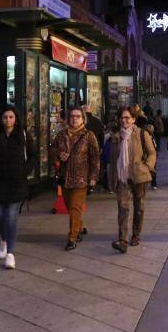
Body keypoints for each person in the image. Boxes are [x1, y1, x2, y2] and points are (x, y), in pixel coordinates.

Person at [0, 106, 36, 269]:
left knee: (11, 218)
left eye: (11, 117)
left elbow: (33, 156)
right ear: (1, 119)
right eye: (5, 117)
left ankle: (10, 253)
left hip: (16, 184)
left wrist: (25, 170)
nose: (8, 120)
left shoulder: (23, 135)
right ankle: (4, 239)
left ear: (16, 118)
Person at [50, 106, 100, 251]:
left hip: (81, 178)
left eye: (78, 116)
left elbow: (95, 158)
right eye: (72, 116)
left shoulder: (88, 135)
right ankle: (79, 228)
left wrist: (93, 177)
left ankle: (72, 237)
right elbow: (51, 149)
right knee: (69, 207)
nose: (75, 119)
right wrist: (59, 154)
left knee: (75, 207)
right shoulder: (61, 135)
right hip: (65, 178)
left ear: (83, 119)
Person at [109, 106, 157, 253]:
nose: (124, 121)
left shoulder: (142, 134)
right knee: (122, 208)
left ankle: (136, 234)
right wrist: (111, 178)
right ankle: (122, 240)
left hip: (138, 176)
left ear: (134, 119)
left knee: (139, 208)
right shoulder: (116, 136)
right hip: (122, 176)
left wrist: (147, 167)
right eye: (122, 118)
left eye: (127, 118)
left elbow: (152, 153)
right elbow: (113, 159)